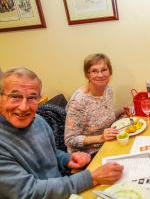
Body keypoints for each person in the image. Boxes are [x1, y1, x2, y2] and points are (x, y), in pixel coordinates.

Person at [0, 67, 123, 199]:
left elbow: (50, 151)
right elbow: (29, 192)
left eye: (32, 97)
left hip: (62, 191)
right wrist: (92, 178)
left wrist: (67, 159)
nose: (24, 107)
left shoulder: (38, 121)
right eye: (15, 97)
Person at [65, 53, 123, 156]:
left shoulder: (108, 90)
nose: (100, 75)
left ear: (110, 72)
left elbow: (102, 117)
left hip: (107, 145)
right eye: (94, 71)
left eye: (104, 70)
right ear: (87, 75)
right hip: (87, 155)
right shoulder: (79, 102)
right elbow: (70, 140)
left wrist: (121, 111)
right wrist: (100, 138)